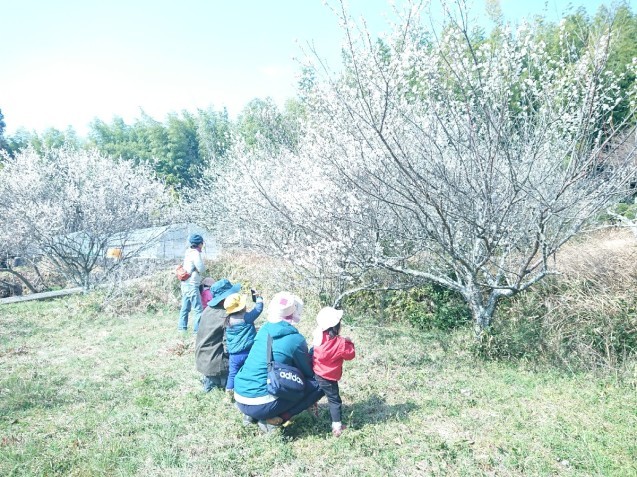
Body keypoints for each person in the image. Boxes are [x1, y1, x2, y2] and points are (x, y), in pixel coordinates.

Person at [233, 292, 324, 433]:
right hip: (260, 403)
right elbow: (308, 372)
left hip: (240, 396)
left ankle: (251, 416)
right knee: (319, 383)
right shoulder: (296, 340)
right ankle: (277, 418)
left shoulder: (264, 329)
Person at [312, 307, 356, 437]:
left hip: (317, 372)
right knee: (335, 400)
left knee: (318, 392)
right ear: (337, 326)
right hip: (329, 376)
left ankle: (312, 407)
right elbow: (350, 355)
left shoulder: (318, 336)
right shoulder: (340, 343)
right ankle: (337, 426)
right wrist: (350, 342)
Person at [195, 278, 240, 392]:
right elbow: (229, 345)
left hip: (202, 361)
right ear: (225, 299)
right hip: (216, 363)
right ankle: (219, 380)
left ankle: (211, 379)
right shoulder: (225, 315)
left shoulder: (208, 310)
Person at [223, 291, 264, 399]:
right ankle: (250, 390)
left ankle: (229, 395)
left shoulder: (228, 320)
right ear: (242, 306)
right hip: (248, 352)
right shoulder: (246, 317)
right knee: (251, 370)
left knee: (232, 374)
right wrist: (259, 298)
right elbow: (258, 309)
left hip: (234, 355)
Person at [178, 234, 206, 333]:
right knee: (198, 309)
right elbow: (201, 269)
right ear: (200, 244)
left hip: (185, 284)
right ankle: (197, 331)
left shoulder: (188, 252)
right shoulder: (195, 253)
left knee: (185, 308)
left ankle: (182, 329)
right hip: (192, 284)